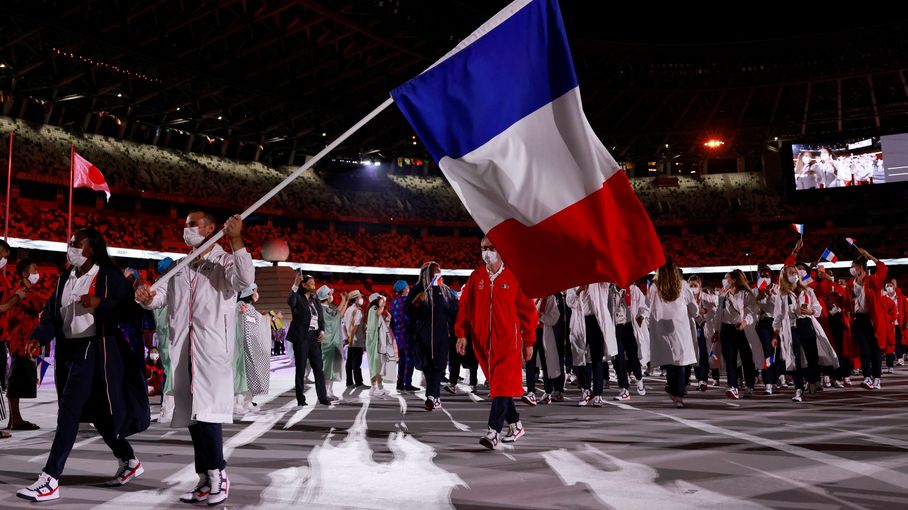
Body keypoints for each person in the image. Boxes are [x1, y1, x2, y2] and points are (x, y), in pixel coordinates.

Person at [19, 229, 150, 503]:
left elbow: (131, 312)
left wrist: (100, 303)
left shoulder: (109, 276)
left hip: (96, 348)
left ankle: (50, 478)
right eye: (70, 244)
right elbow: (53, 317)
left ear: (91, 249)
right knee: (99, 415)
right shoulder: (65, 279)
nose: (71, 248)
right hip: (69, 351)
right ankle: (129, 460)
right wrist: (37, 338)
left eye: (76, 244)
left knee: (68, 411)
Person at [135, 211, 254, 506]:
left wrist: (236, 239)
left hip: (211, 352)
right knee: (193, 418)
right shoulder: (180, 265)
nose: (185, 230)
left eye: (192, 225)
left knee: (209, 415)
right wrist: (146, 295)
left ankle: (219, 475)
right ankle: (204, 477)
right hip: (184, 351)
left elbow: (244, 279)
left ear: (210, 229)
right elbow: (158, 296)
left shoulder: (224, 261)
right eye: (185, 226)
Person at [455, 237, 537, 450]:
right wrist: (461, 334)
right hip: (483, 343)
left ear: (501, 251)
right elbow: (464, 307)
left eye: (491, 248)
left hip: (508, 342)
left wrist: (529, 341)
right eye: (484, 248)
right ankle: (516, 424)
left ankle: (493, 432)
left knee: (500, 386)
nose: (487, 253)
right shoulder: (476, 277)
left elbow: (528, 311)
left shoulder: (514, 277)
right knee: (500, 387)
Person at [644, 259, 698, 408]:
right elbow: (693, 309)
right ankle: (678, 394)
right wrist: (694, 313)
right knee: (679, 361)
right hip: (680, 328)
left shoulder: (655, 287)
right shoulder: (683, 285)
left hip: (662, 327)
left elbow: (648, 305)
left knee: (669, 360)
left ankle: (673, 389)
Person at [406, 262, 458, 410]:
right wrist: (416, 302)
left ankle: (431, 396)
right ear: (426, 274)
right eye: (434, 272)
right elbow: (408, 312)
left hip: (441, 336)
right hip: (422, 335)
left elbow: (454, 313)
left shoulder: (446, 291)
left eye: (439, 271)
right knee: (428, 367)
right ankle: (434, 397)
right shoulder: (417, 290)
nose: (437, 274)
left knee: (438, 367)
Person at [3, 259, 46, 431]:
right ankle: (16, 420)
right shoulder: (22, 291)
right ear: (25, 273)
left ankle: (15, 419)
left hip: (24, 340)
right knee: (16, 379)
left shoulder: (27, 290)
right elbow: (40, 304)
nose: (38, 271)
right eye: (35, 268)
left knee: (18, 379)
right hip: (21, 341)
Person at [773, 266, 826, 402]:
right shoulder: (782, 295)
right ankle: (799, 389)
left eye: (795, 272)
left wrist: (811, 312)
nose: (793, 274)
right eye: (790, 273)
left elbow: (817, 308)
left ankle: (813, 380)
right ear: (784, 276)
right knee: (794, 358)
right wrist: (775, 334)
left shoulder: (807, 291)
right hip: (791, 328)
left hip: (806, 324)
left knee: (812, 356)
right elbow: (777, 316)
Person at [714, 269, 762, 399]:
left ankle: (750, 385)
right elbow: (718, 314)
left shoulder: (746, 294)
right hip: (726, 329)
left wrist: (745, 322)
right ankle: (733, 386)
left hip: (742, 329)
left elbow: (753, 311)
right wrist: (716, 331)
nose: (725, 280)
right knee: (730, 359)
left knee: (746, 358)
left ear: (734, 280)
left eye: (727, 278)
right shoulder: (723, 296)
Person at [844, 248, 887, 390]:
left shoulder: (873, 281)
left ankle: (877, 378)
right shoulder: (850, 283)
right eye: (852, 267)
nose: (852, 270)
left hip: (872, 319)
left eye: (854, 267)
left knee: (875, 349)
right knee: (863, 349)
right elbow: (847, 301)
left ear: (862, 268)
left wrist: (868, 255)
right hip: (858, 319)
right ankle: (867, 377)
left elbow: (883, 267)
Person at [286, 273, 330, 406]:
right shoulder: (297, 297)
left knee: (318, 368)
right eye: (310, 282)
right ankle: (300, 399)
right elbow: (290, 302)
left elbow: (320, 316)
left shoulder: (314, 298)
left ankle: (322, 397)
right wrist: (294, 285)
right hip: (301, 337)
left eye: (314, 282)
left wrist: (321, 330)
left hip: (314, 336)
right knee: (300, 369)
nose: (313, 284)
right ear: (303, 285)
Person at [237, 284, 272, 410]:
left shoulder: (250, 307)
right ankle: (238, 403)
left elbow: (260, 320)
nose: (257, 294)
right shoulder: (241, 306)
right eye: (256, 291)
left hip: (252, 347)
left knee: (250, 375)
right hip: (243, 347)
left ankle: (247, 401)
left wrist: (270, 318)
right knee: (243, 375)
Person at [152, 257, 175, 423]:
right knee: (174, 373)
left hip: (162, 335)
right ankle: (167, 410)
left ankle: (168, 408)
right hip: (171, 334)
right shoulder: (169, 287)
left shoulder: (156, 285)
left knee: (170, 372)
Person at [317, 285, 348, 401]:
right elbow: (338, 314)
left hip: (330, 343)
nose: (332, 296)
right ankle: (325, 392)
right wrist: (344, 301)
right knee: (327, 369)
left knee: (331, 369)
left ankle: (329, 391)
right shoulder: (322, 309)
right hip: (328, 343)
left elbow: (338, 315)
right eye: (330, 294)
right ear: (327, 296)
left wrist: (345, 302)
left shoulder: (326, 309)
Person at [389, 280, 418, 392]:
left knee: (401, 360)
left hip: (398, 334)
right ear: (405, 289)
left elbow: (392, 322)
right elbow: (410, 317)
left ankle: (400, 383)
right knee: (409, 359)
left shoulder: (393, 302)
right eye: (407, 287)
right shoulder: (407, 301)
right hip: (407, 333)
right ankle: (408, 383)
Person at [366, 293, 396, 397]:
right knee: (374, 365)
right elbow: (378, 313)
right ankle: (374, 388)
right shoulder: (373, 309)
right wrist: (383, 304)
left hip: (379, 342)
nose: (382, 301)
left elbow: (384, 326)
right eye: (380, 299)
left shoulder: (376, 310)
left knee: (380, 364)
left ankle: (379, 386)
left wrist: (388, 316)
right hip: (374, 342)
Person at [342, 290, 367, 389]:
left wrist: (347, 337)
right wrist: (352, 337)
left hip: (350, 339)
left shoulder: (348, 310)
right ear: (356, 299)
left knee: (349, 361)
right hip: (356, 339)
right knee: (357, 362)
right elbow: (356, 326)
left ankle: (349, 382)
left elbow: (343, 325)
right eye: (360, 297)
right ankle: (359, 382)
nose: (361, 299)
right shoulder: (358, 311)